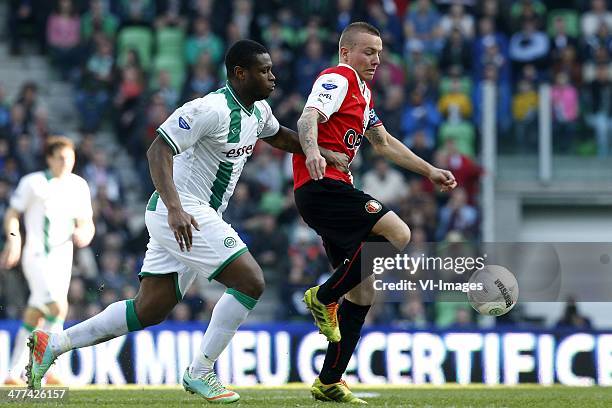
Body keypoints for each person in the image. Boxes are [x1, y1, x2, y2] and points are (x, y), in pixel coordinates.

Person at [25, 39, 347, 402]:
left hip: (190, 214)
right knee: (251, 281)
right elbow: (157, 149)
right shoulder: (209, 109)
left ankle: (53, 343)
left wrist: (318, 151)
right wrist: (176, 208)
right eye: (264, 70)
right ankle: (201, 371)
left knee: (149, 308)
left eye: (271, 69)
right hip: (181, 210)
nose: (273, 76)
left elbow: (280, 136)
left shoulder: (257, 112)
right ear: (240, 73)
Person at [293, 22, 457, 403]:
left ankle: (330, 380)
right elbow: (307, 118)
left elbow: (383, 143)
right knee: (399, 233)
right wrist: (314, 152)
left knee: (364, 292)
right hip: (322, 186)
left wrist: (430, 170)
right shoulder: (339, 77)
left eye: (380, 53)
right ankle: (323, 296)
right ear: (346, 52)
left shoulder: (363, 95)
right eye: (369, 51)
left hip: (332, 191)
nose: (376, 60)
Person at [1, 136, 94, 386]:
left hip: (63, 259)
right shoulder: (33, 183)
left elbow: (86, 222)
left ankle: (12, 373)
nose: (67, 163)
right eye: (62, 158)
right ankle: (46, 366)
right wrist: (13, 239)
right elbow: (12, 214)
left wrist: (85, 234)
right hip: (36, 256)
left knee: (36, 314)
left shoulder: (79, 185)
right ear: (50, 158)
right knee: (58, 307)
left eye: (70, 158)